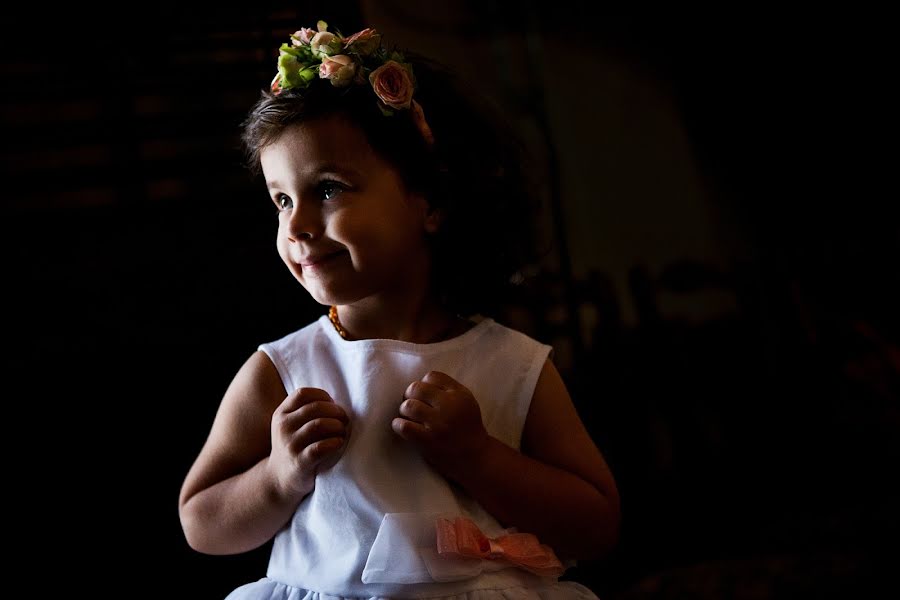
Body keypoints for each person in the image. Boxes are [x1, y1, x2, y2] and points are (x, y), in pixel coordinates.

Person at [178, 20, 620, 600]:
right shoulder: (283, 372)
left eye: (329, 188)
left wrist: (478, 456)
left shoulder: (512, 365)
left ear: (429, 201)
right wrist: (279, 475)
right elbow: (201, 523)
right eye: (281, 199)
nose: (297, 225)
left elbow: (596, 526)